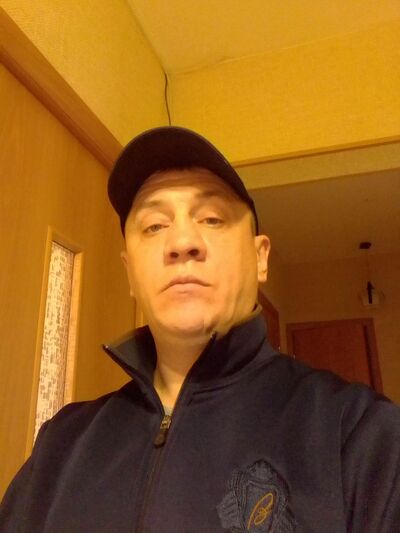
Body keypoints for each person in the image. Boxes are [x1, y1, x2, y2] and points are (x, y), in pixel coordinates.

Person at [0, 126, 399, 532]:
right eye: (154, 225)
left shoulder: (360, 434)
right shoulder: (62, 444)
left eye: (211, 218)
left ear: (260, 258)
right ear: (130, 272)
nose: (182, 241)